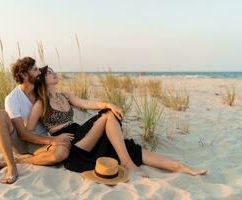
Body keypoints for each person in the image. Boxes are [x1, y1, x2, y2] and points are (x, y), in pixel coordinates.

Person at [26, 65, 207, 178]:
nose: (54, 73)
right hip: (71, 146)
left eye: (53, 71)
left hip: (82, 135)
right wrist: (53, 141)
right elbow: (28, 133)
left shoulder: (65, 95)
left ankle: (182, 168)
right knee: (107, 115)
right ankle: (127, 163)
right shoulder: (40, 105)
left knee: (130, 147)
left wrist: (108, 103)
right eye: (50, 73)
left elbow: (88, 104)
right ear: (42, 80)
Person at [0, 57, 74, 184]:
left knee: (62, 153)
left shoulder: (40, 91)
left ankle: (19, 161)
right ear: (24, 74)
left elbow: (56, 93)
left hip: (39, 142)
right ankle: (11, 166)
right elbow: (23, 134)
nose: (39, 73)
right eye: (35, 70)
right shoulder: (12, 98)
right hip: (21, 141)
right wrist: (53, 140)